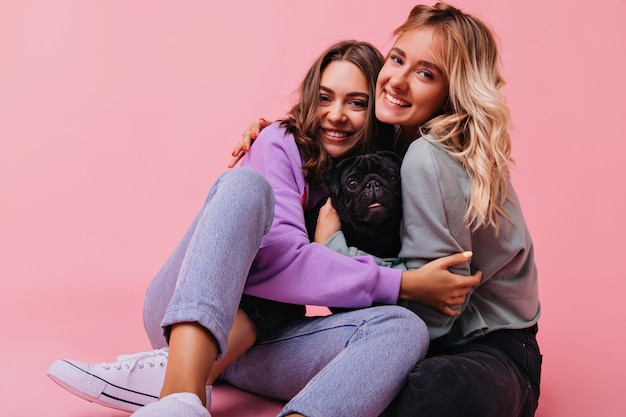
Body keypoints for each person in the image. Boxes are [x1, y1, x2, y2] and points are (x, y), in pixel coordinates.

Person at [48, 39, 479, 417]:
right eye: (325, 98)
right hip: (185, 312)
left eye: (356, 102)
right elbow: (283, 263)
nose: (336, 115)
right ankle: (179, 391)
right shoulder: (279, 143)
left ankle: (171, 376)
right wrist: (403, 283)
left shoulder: (381, 173)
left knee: (404, 329)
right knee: (244, 186)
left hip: (263, 348)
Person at [235, 3, 542, 416]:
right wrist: (280, 136)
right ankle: (223, 354)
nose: (397, 80)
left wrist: (331, 247)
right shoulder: (396, 137)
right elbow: (337, 138)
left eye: (425, 73)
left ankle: (217, 359)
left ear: (452, 92)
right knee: (289, 237)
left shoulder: (429, 157)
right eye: (397, 59)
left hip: (485, 347)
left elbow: (431, 317)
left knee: (426, 393)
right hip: (411, 334)